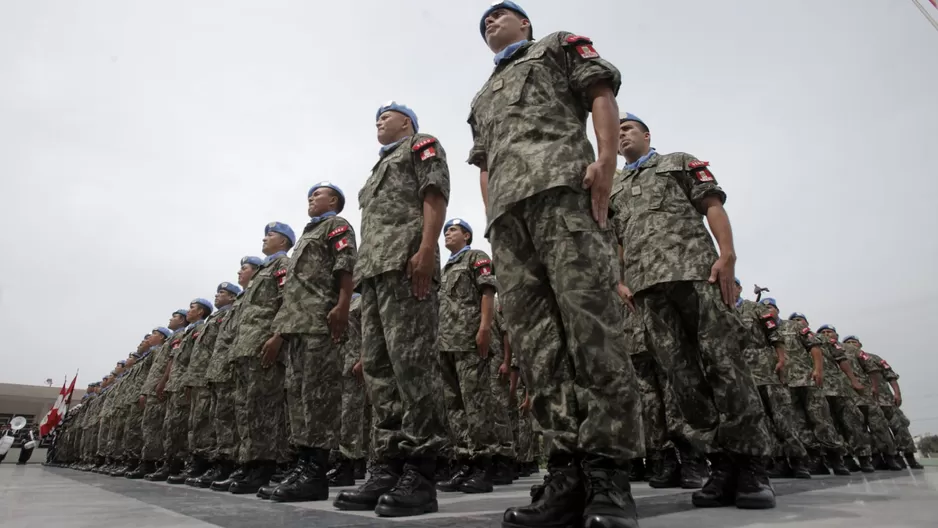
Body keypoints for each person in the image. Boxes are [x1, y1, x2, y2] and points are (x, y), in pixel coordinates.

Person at [468, 3, 644, 526]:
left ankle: (608, 475)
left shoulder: (557, 45)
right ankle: (566, 473)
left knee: (592, 330)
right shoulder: (481, 97)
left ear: (524, 23)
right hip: (509, 221)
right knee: (538, 346)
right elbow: (484, 163)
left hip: (564, 195)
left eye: (498, 17)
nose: (489, 26)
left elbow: (600, 95)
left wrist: (607, 160)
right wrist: (491, 215)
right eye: (482, 25)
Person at [612, 110, 774, 510]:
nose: (621, 136)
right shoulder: (613, 187)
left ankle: (750, 464)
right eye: (615, 132)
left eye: (627, 128)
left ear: (647, 134)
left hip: (696, 274)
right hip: (648, 289)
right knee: (681, 377)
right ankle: (719, 462)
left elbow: (712, 204)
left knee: (724, 364)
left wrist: (728, 254)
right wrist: (620, 279)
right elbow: (614, 238)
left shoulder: (678, 162)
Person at [334, 101, 449, 518]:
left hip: (406, 266)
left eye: (388, 115)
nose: (380, 120)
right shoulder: (375, 171)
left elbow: (434, 195)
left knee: (412, 366)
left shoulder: (421, 145)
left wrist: (425, 250)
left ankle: (420, 471)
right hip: (375, 274)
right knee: (381, 373)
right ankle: (387, 466)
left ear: (408, 122)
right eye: (376, 117)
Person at [259, 182, 357, 503]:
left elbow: (345, 264)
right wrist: (280, 333)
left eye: (319, 194)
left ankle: (315, 472)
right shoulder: (304, 237)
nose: (312, 198)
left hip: (319, 322)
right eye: (309, 195)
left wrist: (343, 304)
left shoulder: (336, 226)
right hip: (297, 328)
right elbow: (292, 294)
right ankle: (303, 465)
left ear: (335, 201)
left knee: (317, 396)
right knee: (299, 399)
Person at [436, 218, 514, 494]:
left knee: (476, 404)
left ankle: (483, 464)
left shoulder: (475, 257)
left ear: (466, 236)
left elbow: (487, 291)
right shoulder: (444, 269)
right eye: (445, 231)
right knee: (455, 407)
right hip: (446, 345)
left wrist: (484, 328)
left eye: (453, 230)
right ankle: (464, 461)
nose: (447, 233)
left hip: (470, 341)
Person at [227, 222, 295, 494]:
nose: (265, 238)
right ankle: (250, 464)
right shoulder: (262, 274)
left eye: (271, 235)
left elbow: (288, 299)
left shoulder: (282, 266)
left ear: (284, 242)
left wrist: (278, 337)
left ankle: (264, 467)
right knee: (246, 410)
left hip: (264, 346)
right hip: (247, 349)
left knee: (263, 410)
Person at [182, 282, 242, 486]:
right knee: (202, 422)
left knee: (221, 420)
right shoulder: (212, 320)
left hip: (222, 373)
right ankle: (202, 463)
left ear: (233, 297)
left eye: (222, 293)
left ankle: (223, 464)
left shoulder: (230, 313)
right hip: (208, 375)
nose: (217, 296)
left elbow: (227, 343)